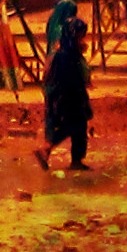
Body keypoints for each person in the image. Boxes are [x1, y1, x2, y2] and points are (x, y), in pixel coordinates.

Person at [38, 10, 92, 172]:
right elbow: (70, 78)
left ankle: (76, 160)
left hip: (71, 96)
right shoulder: (66, 56)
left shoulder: (65, 53)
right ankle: (47, 149)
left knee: (76, 128)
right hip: (71, 97)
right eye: (81, 36)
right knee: (74, 126)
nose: (82, 39)